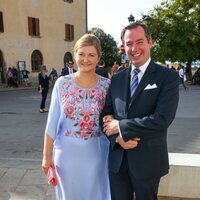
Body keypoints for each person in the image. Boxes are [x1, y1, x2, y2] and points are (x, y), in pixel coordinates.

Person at [101, 22, 179, 200]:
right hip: (118, 162)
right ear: (123, 47)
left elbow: (162, 119)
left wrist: (121, 126)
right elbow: (105, 116)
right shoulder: (117, 78)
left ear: (150, 42)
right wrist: (117, 138)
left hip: (148, 161)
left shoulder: (167, 77)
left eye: (140, 41)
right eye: (129, 44)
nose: (134, 48)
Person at [42, 33, 111, 200]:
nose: (85, 59)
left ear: (98, 58)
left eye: (91, 55)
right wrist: (46, 156)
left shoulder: (107, 85)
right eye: (81, 54)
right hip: (66, 157)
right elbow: (52, 122)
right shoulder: (62, 83)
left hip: (97, 155)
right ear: (74, 55)